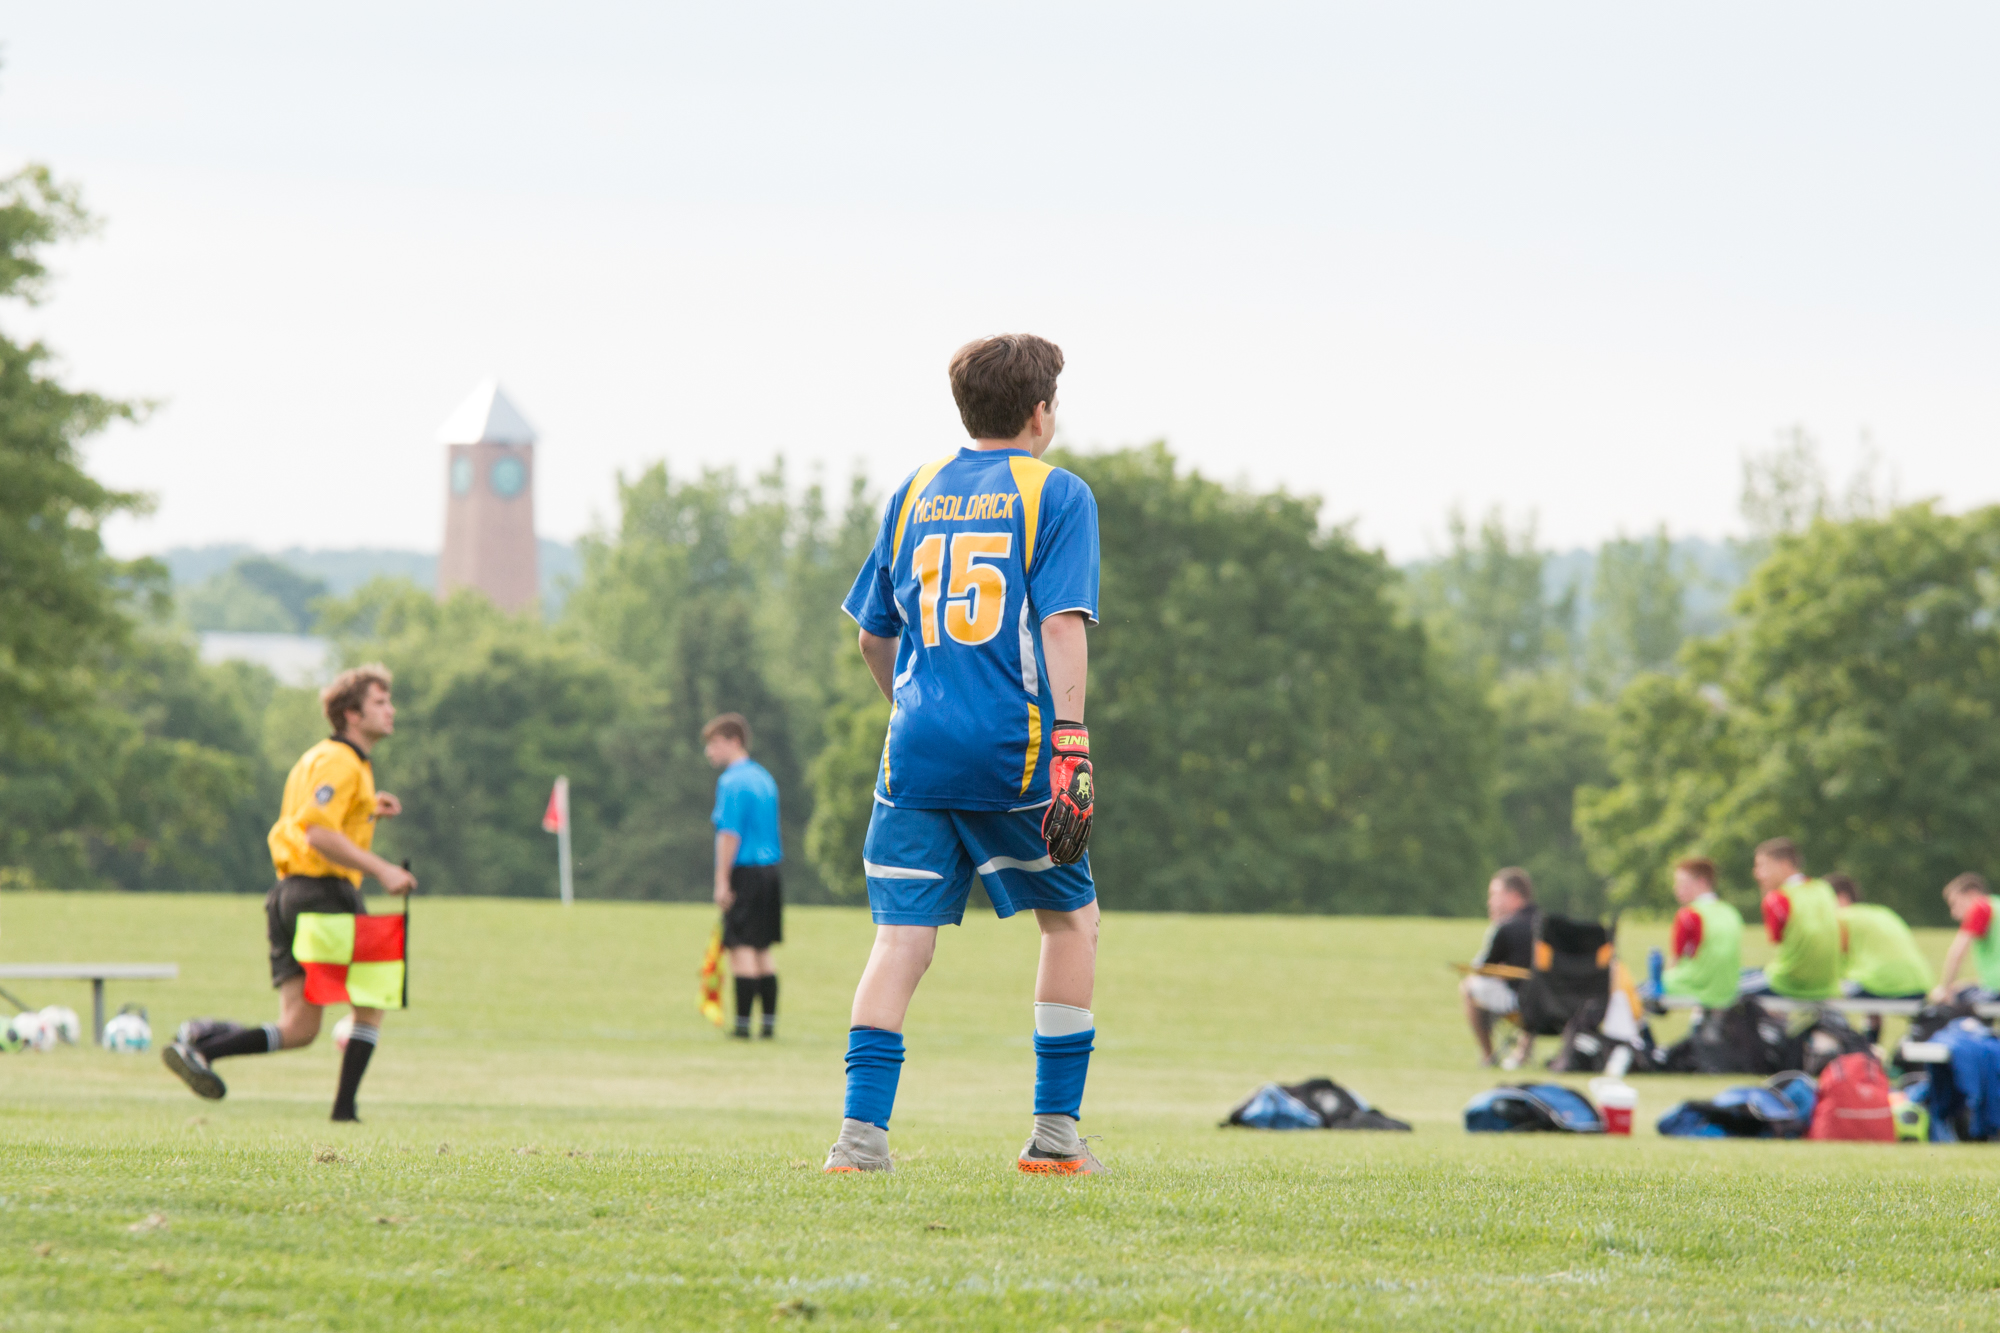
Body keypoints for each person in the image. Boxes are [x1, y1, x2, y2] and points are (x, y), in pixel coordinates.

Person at [823, 333, 1102, 1176]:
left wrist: (916, 711)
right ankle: (1055, 1136)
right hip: (1011, 750)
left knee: (900, 939)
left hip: (912, 754)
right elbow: (1059, 623)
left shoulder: (911, 492)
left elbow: (875, 636)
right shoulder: (1058, 494)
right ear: (1040, 412)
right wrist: (1072, 748)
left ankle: (858, 1141)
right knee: (1071, 920)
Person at [162, 664, 416, 1121]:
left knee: (298, 1027)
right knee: (374, 996)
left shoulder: (324, 757)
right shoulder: (343, 761)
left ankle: (204, 1046)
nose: (391, 710)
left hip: (287, 893)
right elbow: (317, 832)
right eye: (380, 702)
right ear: (351, 714)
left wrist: (368, 811)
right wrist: (383, 870)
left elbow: (312, 815)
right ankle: (344, 1113)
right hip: (324, 894)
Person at [705, 712, 784, 1039]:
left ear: (733, 741)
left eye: (714, 744)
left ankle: (741, 1027)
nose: (709, 752)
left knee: (741, 948)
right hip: (771, 871)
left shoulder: (732, 781)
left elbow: (729, 834)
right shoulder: (764, 778)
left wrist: (722, 881)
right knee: (763, 949)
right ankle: (767, 1025)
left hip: (746, 870)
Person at [1828, 873, 1932, 1043]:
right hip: (1919, 986)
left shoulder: (1843, 917)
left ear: (1841, 898)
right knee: (1865, 991)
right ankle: (1871, 1048)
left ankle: (1845, 1051)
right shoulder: (1883, 912)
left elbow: (1833, 963)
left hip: (1882, 984)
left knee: (1826, 996)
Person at [1740, 837, 1840, 1001]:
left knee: (1727, 988)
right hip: (1827, 983)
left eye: (1762, 866)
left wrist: (1766, 893)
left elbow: (1775, 940)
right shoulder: (1823, 888)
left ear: (1784, 865)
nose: (1756, 873)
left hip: (1790, 983)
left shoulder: (1778, 898)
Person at [1459, 868, 1538, 1068]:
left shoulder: (1507, 927)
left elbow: (1482, 969)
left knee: (1468, 987)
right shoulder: (1548, 925)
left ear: (1513, 896)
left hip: (1522, 1005)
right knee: (1537, 990)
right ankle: (1522, 1053)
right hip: (1559, 1006)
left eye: (1495, 895)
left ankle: (1488, 1056)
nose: (1490, 902)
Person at [1657, 856, 1744, 1012]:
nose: (1676, 889)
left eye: (1682, 883)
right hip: (1728, 987)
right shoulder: (1731, 912)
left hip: (1697, 986)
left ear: (1702, 882)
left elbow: (1676, 960)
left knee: (1640, 990)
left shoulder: (1689, 914)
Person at [1931, 873, 2000, 1004]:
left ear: (1971, 894)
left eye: (1955, 904)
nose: (1954, 913)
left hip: (1996, 991)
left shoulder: (1981, 907)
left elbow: (1957, 952)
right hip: (1994, 987)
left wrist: (1945, 990)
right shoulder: (1996, 905)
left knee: (1945, 1003)